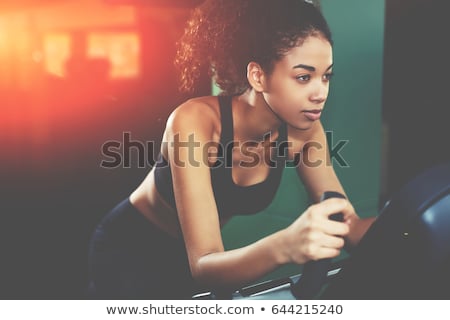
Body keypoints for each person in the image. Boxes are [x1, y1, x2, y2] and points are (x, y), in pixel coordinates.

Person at [88, 0, 376, 299]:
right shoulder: (195, 122)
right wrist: (286, 245)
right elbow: (203, 264)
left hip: (199, 261)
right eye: (304, 77)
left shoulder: (305, 133)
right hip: (131, 250)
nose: (320, 93)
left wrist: (413, 215)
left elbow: (350, 228)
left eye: (326, 76)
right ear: (258, 76)